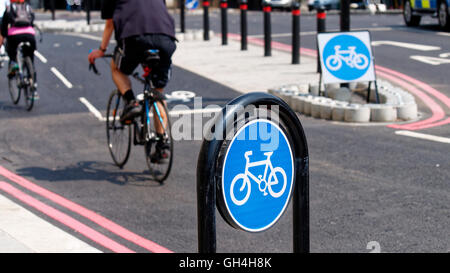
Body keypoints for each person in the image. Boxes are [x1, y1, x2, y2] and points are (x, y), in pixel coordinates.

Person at [88, 0, 176, 162]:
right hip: (166, 39)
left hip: (134, 38)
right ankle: (163, 144)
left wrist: (101, 50)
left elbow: (110, 24)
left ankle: (131, 103)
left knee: (116, 68)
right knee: (157, 93)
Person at [0, 0, 37, 91]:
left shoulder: (10, 9)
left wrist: (4, 35)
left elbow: (4, 25)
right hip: (29, 35)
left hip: (15, 35)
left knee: (11, 49)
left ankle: (13, 63)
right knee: (30, 55)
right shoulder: (28, 8)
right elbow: (32, 20)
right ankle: (33, 81)